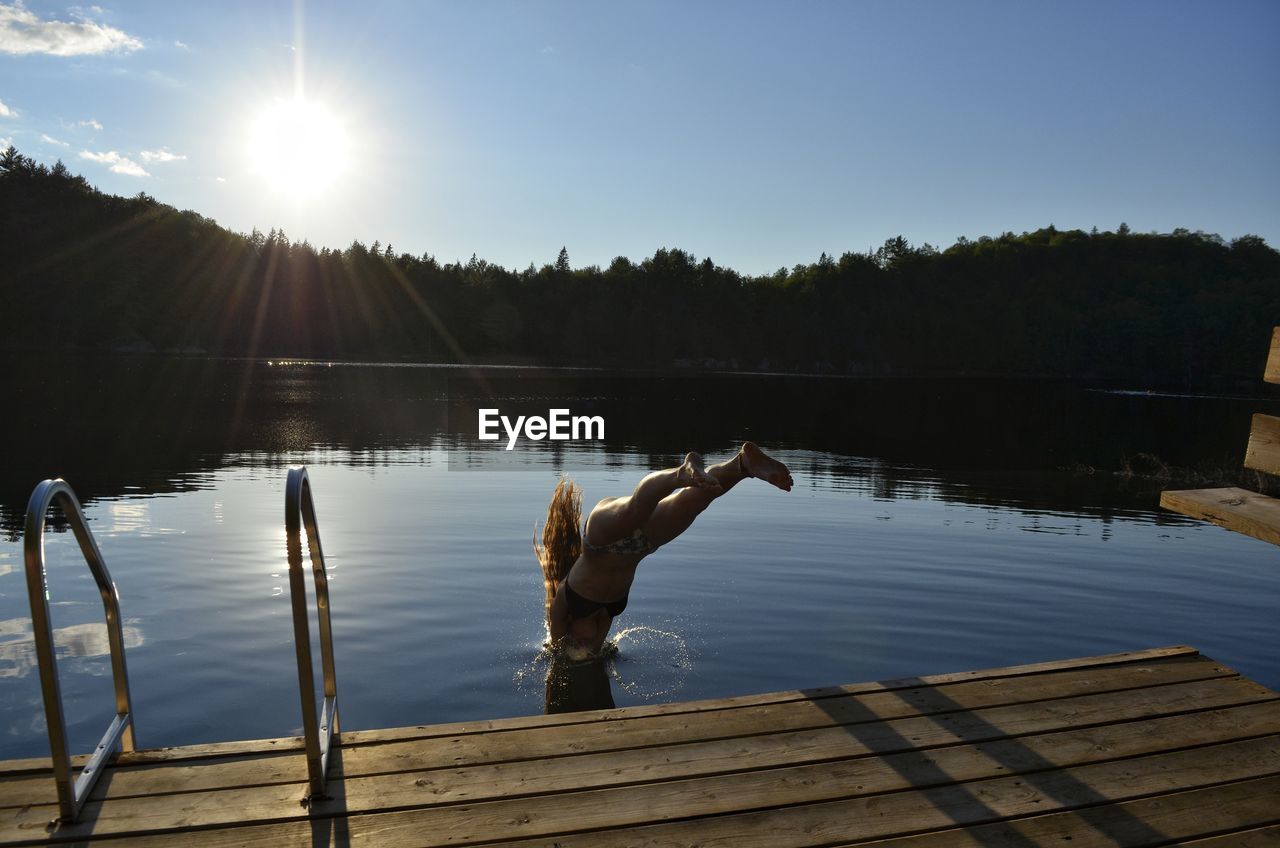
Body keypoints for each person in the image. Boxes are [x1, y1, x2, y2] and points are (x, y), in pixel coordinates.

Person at [534, 442, 793, 658]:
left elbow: (556, 651)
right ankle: (743, 465)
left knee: (638, 508)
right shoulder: (604, 621)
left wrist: (562, 651)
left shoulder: (562, 608)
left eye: (576, 643)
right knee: (695, 501)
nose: (584, 647)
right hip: (640, 545)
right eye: (586, 646)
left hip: (599, 540)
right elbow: (595, 653)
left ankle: (681, 473)